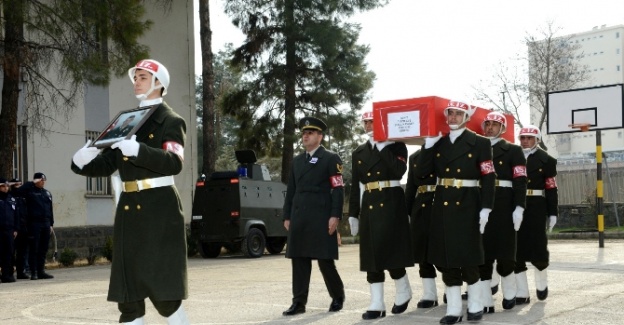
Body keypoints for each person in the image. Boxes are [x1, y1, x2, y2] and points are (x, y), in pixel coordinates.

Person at [71, 59, 189, 325]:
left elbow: (174, 162)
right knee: (129, 295)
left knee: (164, 294)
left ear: (159, 83)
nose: (136, 82)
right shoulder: (127, 121)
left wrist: (140, 151)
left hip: (159, 209)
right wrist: (81, 161)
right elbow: (107, 164)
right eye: (135, 77)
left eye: (143, 77)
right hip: (129, 210)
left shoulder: (170, 120)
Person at [414, 100, 496, 325]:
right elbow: (421, 172)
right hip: (442, 204)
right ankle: (453, 308)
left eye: (458, 114)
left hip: (468, 202)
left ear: (467, 117)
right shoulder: (438, 143)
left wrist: (486, 208)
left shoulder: (479, 143)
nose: (453, 117)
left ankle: (476, 304)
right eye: (450, 113)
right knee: (446, 257)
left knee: (469, 257)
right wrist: (428, 146)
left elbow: (488, 176)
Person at [348, 111, 414, 320]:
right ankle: (377, 302)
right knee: (371, 256)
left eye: (372, 121)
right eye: (365, 122)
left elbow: (398, 171)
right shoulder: (359, 152)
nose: (368, 125)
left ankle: (403, 289)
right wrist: (353, 214)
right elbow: (357, 185)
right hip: (369, 204)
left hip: (392, 202)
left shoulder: (397, 145)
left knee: (392, 251)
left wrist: (383, 147)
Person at [282, 116, 346, 317]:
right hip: (300, 215)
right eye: (304, 133)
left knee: (324, 259)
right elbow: (291, 189)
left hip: (321, 215)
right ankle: (298, 302)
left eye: (310, 133)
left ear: (320, 136)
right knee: (299, 260)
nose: (305, 136)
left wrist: (335, 215)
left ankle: (337, 297)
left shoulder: (330, 158)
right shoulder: (298, 161)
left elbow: (337, 188)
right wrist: (287, 215)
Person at [478, 112, 527, 313]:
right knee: (483, 253)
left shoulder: (513, 150)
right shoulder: (477, 148)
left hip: (505, 203)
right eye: (487, 124)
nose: (490, 127)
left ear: (503, 128)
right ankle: (486, 299)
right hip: (481, 202)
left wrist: (519, 207)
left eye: (495, 124)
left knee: (506, 253)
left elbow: (520, 179)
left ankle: (509, 292)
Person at [515, 125, 558, 304]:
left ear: (537, 140)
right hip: (516, 206)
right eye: (522, 138)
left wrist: (552, 212)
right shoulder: (513, 157)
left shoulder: (546, 160)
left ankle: (541, 284)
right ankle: (522, 292)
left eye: (529, 138)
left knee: (538, 247)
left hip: (537, 206)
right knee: (516, 249)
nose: (525, 141)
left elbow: (551, 188)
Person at [405, 149, 439, 309]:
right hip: (421, 205)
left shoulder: (447, 150)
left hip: (442, 203)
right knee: (422, 251)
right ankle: (429, 294)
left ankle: (452, 287)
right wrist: (408, 212)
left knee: (444, 250)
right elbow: (411, 186)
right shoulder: (415, 157)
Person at [12, 172, 54, 281]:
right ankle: (34, 272)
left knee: (43, 249)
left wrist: (51, 224)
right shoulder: (29, 192)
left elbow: (50, 210)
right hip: (34, 223)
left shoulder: (47, 193)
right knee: (34, 249)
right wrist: (30, 183)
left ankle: (41, 271)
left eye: (44, 180)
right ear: (36, 181)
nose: (43, 182)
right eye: (40, 180)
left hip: (46, 223)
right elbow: (18, 191)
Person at [10, 178, 30, 279]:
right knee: (11, 252)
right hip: (13, 229)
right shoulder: (10, 196)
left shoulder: (24, 197)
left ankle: (20, 272)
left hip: (23, 228)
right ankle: (9, 272)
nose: (19, 187)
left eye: (20, 185)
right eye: (17, 185)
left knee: (22, 252)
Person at [0, 177, 19, 283]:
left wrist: (16, 228)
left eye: (7, 186)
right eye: (3, 186)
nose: (6, 188)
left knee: (9, 253)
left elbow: (16, 215)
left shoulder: (11, 199)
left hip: (9, 230)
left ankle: (7, 274)